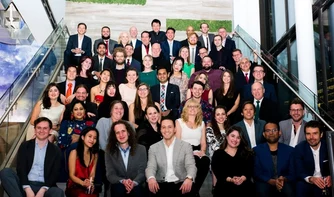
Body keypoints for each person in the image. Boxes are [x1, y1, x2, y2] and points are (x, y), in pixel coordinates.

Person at [0, 117, 64, 197]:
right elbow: (21, 169)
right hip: (25, 184)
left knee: (58, 192)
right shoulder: (25, 146)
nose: (41, 131)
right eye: (39, 128)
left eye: (45, 128)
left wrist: (43, 190)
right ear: (35, 130)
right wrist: (27, 188)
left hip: (45, 187)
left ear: (50, 131)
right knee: (5, 172)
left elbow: (55, 173)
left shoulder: (56, 150)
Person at [145, 117, 197, 197]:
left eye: (169, 127)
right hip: (161, 184)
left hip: (181, 183)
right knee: (150, 189)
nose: (166, 130)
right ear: (160, 130)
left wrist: (189, 178)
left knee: (190, 189)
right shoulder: (153, 148)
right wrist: (151, 178)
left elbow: (191, 166)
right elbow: (151, 167)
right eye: (163, 127)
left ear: (175, 129)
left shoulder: (186, 146)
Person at [176, 98, 210, 196]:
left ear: (198, 109)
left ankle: (193, 190)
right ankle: (194, 192)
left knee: (205, 160)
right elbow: (178, 142)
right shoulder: (179, 122)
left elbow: (203, 142)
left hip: (197, 150)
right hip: (183, 151)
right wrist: (190, 152)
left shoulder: (202, 123)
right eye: (190, 106)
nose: (192, 109)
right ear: (185, 108)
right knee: (194, 160)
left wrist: (202, 151)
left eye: (195, 107)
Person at [105, 120, 147, 197]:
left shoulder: (141, 149)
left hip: (137, 186)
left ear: (128, 132)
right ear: (114, 136)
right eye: (117, 133)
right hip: (118, 186)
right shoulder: (109, 151)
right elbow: (110, 174)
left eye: (123, 131)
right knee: (118, 189)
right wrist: (123, 181)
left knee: (138, 190)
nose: (121, 135)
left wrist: (133, 183)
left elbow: (142, 172)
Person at [253, 121, 295, 197]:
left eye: (274, 130)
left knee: (290, 192)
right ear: (264, 134)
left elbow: (292, 172)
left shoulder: (290, 150)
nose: (271, 133)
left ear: (279, 133)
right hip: (264, 181)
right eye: (268, 131)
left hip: (283, 181)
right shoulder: (256, 150)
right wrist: (270, 181)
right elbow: (256, 172)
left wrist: (283, 179)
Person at [211, 126, 254, 197]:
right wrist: (231, 180)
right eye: (233, 136)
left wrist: (242, 178)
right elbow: (218, 172)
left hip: (244, 186)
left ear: (241, 140)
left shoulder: (246, 153)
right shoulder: (218, 154)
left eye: (238, 137)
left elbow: (249, 170)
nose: (235, 139)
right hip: (224, 186)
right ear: (227, 136)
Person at [294, 120, 332, 197]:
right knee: (300, 186)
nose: (311, 137)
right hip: (309, 181)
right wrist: (311, 179)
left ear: (321, 134)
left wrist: (332, 177)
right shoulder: (299, 148)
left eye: (315, 133)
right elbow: (298, 170)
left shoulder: (329, 146)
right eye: (308, 134)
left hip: (327, 181)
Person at [65, 127, 99, 197]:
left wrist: (90, 184)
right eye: (90, 136)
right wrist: (83, 183)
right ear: (83, 137)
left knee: (94, 195)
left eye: (95, 138)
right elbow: (71, 175)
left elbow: (92, 175)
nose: (92, 140)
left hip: (86, 185)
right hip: (74, 185)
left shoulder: (95, 155)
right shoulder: (74, 152)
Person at [206, 106, 230, 191]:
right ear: (214, 117)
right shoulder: (209, 129)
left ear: (226, 116)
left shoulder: (231, 129)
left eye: (223, 114)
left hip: (230, 160)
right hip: (216, 161)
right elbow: (214, 147)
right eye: (218, 114)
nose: (221, 117)